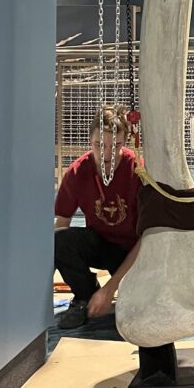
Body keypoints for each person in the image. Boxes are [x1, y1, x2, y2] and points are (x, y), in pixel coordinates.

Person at [54, 105, 142, 329]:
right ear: (89, 141)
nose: (107, 155)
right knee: (59, 241)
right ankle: (85, 297)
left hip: (136, 249)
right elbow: (61, 225)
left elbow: (148, 237)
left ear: (125, 142)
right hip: (101, 242)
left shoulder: (138, 171)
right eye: (99, 146)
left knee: (142, 311)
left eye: (116, 146)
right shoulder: (77, 172)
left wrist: (111, 288)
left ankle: (116, 294)